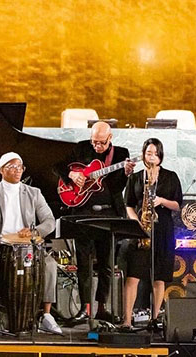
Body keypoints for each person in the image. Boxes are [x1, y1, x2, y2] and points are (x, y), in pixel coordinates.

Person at [0, 152, 62, 334]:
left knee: (49, 265)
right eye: (12, 167)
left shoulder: (34, 193)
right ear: (2, 170)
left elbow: (49, 220)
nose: (18, 170)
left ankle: (46, 315)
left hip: (28, 247)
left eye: (20, 167)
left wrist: (34, 231)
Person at [53, 121, 134, 323]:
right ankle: (85, 308)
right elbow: (57, 165)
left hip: (109, 215)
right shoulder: (82, 148)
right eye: (94, 141)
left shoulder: (120, 154)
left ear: (110, 138)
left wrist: (125, 174)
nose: (97, 146)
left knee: (107, 263)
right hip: (83, 214)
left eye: (101, 143)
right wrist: (71, 174)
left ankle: (102, 307)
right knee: (83, 264)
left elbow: (116, 188)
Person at [121, 138, 182, 329]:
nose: (152, 156)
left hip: (163, 229)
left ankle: (155, 319)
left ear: (161, 155)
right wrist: (136, 222)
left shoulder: (170, 177)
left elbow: (178, 205)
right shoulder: (136, 177)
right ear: (144, 154)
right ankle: (127, 320)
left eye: (155, 153)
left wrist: (161, 200)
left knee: (159, 277)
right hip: (141, 231)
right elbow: (128, 204)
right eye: (148, 153)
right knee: (133, 276)